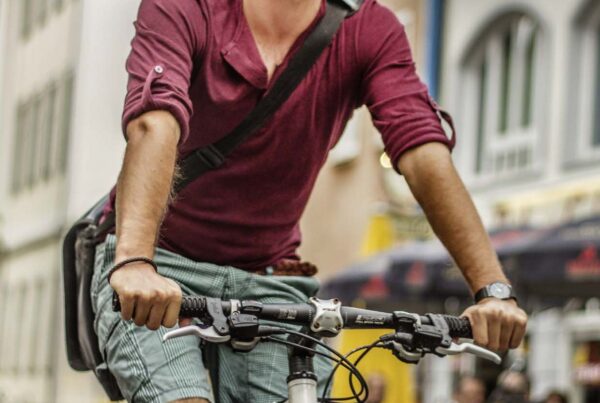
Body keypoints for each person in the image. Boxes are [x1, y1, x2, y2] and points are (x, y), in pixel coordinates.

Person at [91, 0, 528, 402]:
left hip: (267, 281)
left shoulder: (367, 30)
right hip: (158, 269)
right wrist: (134, 262)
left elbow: (421, 152)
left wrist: (492, 290)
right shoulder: (186, 7)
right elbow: (155, 125)